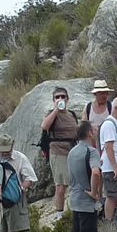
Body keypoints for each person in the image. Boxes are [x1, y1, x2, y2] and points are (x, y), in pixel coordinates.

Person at [66, 122, 103, 232]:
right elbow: (95, 172)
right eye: (94, 129)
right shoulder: (92, 151)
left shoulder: (72, 152)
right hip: (87, 201)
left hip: (74, 198)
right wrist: (94, 192)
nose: (96, 131)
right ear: (89, 133)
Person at [40, 87, 79, 222]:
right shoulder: (51, 114)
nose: (60, 99)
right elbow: (44, 126)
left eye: (63, 96)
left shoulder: (72, 114)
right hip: (58, 151)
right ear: (53, 100)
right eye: (57, 97)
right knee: (61, 184)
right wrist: (56, 110)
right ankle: (59, 214)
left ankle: (74, 210)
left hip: (72, 150)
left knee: (75, 182)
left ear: (67, 99)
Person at [83, 80, 114, 149]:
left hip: (108, 145)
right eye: (102, 93)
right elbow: (83, 127)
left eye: (106, 93)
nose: (105, 96)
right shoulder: (88, 107)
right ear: (95, 94)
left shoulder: (111, 107)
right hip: (92, 146)